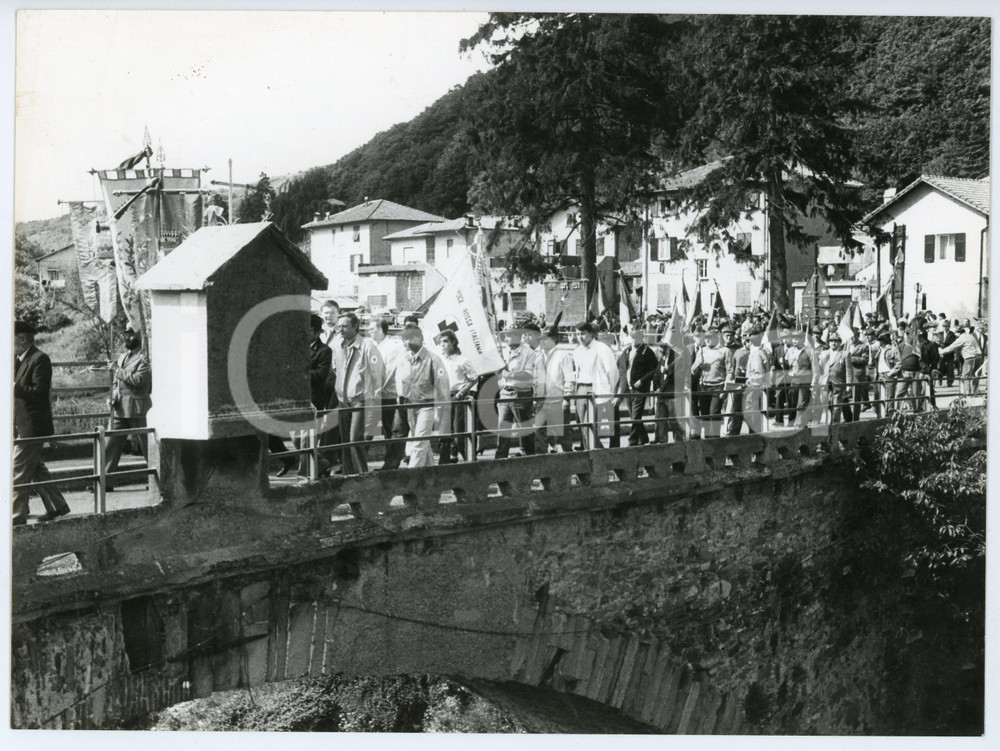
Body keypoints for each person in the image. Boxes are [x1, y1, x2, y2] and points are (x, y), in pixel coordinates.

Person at [13, 320, 71, 525]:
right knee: (36, 468)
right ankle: (57, 506)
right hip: (20, 424)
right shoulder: (17, 359)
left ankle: (14, 517)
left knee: (17, 470)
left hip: (32, 426)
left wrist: (13, 387)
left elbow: (39, 393)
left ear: (21, 338)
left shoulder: (39, 359)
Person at [332, 311, 384, 474]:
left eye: (345, 326)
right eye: (339, 326)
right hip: (343, 399)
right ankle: (349, 477)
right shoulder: (337, 345)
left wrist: (374, 397)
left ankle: (362, 475)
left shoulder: (367, 346)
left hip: (361, 399)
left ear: (356, 327)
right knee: (345, 442)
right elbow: (335, 368)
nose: (341, 329)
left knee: (355, 439)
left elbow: (378, 372)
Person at [104, 326, 153, 489]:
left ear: (140, 336)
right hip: (120, 408)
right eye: (126, 335)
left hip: (137, 408)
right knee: (110, 444)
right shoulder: (122, 357)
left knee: (147, 446)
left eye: (131, 335)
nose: (127, 338)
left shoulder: (144, 359)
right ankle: (105, 481)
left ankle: (155, 480)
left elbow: (140, 381)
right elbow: (116, 381)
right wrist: (114, 393)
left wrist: (118, 371)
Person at [396, 324, 449, 467]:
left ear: (420, 339)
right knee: (421, 442)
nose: (407, 343)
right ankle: (432, 476)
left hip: (427, 405)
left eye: (411, 338)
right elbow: (400, 381)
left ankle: (412, 479)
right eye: (405, 339)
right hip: (410, 405)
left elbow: (442, 385)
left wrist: (442, 409)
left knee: (418, 442)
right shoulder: (404, 359)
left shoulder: (433, 359)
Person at [495, 324, 540, 459]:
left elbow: (528, 375)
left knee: (525, 431)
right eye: (506, 335)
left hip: (521, 394)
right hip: (505, 394)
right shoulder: (503, 351)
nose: (507, 338)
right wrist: (499, 375)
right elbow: (498, 373)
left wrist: (508, 374)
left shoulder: (529, 353)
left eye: (510, 335)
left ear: (518, 336)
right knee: (502, 431)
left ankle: (531, 462)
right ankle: (500, 463)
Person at [571, 321, 618, 449]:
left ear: (591, 334)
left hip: (595, 390)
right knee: (582, 425)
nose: (580, 337)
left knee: (591, 425)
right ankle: (595, 456)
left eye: (583, 334)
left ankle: (597, 458)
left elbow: (612, 373)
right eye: (578, 334)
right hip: (581, 389)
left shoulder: (602, 349)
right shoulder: (577, 351)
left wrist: (611, 392)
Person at [437, 329, 477, 464]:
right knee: (444, 433)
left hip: (457, 397)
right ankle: (443, 465)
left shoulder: (462, 360)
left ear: (453, 342)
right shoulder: (439, 360)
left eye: (446, 341)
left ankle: (471, 464)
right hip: (444, 397)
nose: (442, 345)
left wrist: (461, 394)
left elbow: (474, 379)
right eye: (440, 342)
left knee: (460, 434)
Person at [373, 318, 408, 470]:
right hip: (378, 394)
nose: (368, 332)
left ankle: (392, 463)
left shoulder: (392, 347)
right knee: (387, 429)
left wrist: (378, 389)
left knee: (391, 429)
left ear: (380, 330)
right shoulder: (377, 346)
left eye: (371, 329)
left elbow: (388, 371)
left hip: (388, 395)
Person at [535, 325, 576, 453]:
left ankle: (570, 467)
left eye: (546, 339)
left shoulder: (562, 356)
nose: (542, 341)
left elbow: (569, 378)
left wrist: (567, 398)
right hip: (542, 402)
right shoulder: (539, 358)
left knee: (563, 436)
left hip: (557, 402)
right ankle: (542, 468)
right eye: (541, 339)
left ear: (554, 339)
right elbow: (536, 380)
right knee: (540, 436)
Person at [616, 325, 659, 446]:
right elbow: (622, 367)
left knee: (635, 416)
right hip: (629, 389)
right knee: (634, 416)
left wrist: (642, 380)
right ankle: (643, 437)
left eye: (637, 338)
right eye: (632, 337)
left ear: (642, 338)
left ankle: (632, 441)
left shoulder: (647, 352)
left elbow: (654, 369)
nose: (634, 340)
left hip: (640, 389)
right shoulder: (627, 351)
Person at [691, 327, 734, 438]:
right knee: (705, 416)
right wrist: (697, 365)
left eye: (710, 337)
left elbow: (730, 372)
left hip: (718, 386)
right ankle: (708, 439)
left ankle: (714, 439)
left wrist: (726, 388)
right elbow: (693, 370)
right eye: (706, 337)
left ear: (716, 337)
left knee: (714, 414)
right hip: (704, 387)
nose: (708, 340)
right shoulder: (701, 351)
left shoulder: (725, 351)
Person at [940, 325, 984, 396]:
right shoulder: (972, 335)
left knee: (966, 376)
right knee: (975, 376)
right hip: (978, 357)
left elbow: (951, 348)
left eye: (956, 332)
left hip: (970, 358)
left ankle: (967, 394)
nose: (955, 334)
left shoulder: (962, 338)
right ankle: (975, 392)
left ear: (960, 333)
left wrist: (940, 352)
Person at [826, 332, 852, 423]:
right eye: (831, 341)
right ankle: (833, 417)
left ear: (840, 343)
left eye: (836, 341)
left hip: (839, 382)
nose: (833, 343)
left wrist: (849, 385)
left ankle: (834, 422)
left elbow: (849, 370)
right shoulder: (825, 353)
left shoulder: (845, 354)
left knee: (837, 403)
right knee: (828, 402)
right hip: (827, 382)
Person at [875, 330, 902, 413]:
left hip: (888, 374)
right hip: (879, 374)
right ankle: (880, 414)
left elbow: (899, 363)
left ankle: (889, 414)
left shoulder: (893, 349)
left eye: (880, 340)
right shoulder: (879, 350)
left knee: (889, 396)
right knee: (879, 396)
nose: (878, 342)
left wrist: (891, 372)